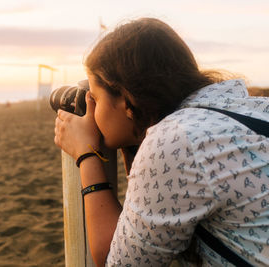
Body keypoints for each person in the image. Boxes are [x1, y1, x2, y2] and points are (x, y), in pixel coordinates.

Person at [54, 17, 269, 266]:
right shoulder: (250, 107)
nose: (92, 107)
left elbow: (118, 262)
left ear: (125, 100)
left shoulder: (176, 140)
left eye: (96, 98)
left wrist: (86, 154)